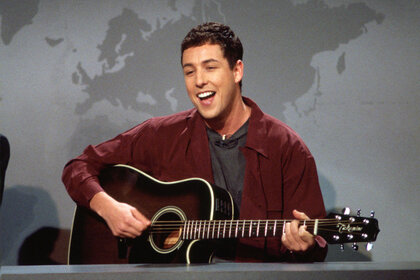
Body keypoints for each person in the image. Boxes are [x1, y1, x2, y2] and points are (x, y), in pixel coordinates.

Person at [62, 22, 327, 262]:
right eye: (189, 72)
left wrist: (305, 245)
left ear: (237, 70)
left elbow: (316, 240)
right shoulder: (160, 134)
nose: (199, 81)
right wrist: (108, 208)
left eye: (210, 68)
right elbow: (78, 167)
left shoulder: (286, 148)